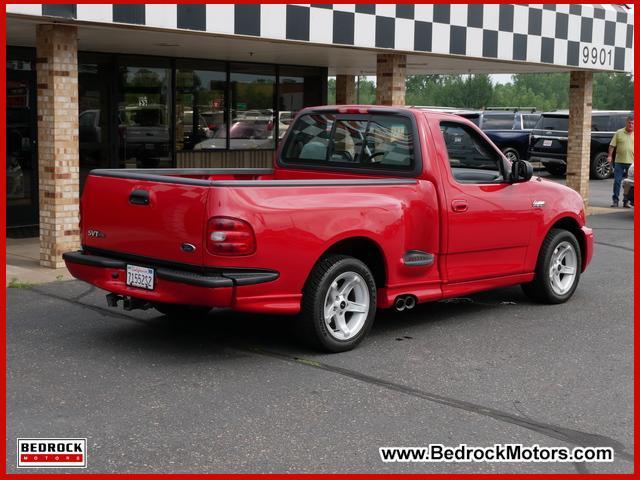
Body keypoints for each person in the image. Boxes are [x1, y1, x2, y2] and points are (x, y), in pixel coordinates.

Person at [608, 114, 634, 208]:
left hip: (632, 164)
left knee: (629, 184)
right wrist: (610, 156)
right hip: (619, 162)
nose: (631, 125)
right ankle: (615, 200)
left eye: (633, 123)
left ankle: (626, 201)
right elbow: (612, 145)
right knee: (617, 182)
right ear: (626, 123)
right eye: (629, 123)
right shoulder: (619, 132)